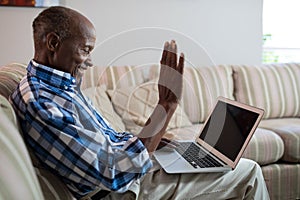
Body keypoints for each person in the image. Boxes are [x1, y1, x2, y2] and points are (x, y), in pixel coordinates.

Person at [10, 6, 270, 200]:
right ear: (54, 42)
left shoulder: (57, 86)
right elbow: (113, 171)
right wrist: (166, 104)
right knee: (249, 172)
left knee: (200, 157)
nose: (89, 61)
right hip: (119, 189)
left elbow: (105, 142)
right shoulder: (42, 103)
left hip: (128, 172)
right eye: (85, 50)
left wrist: (153, 141)